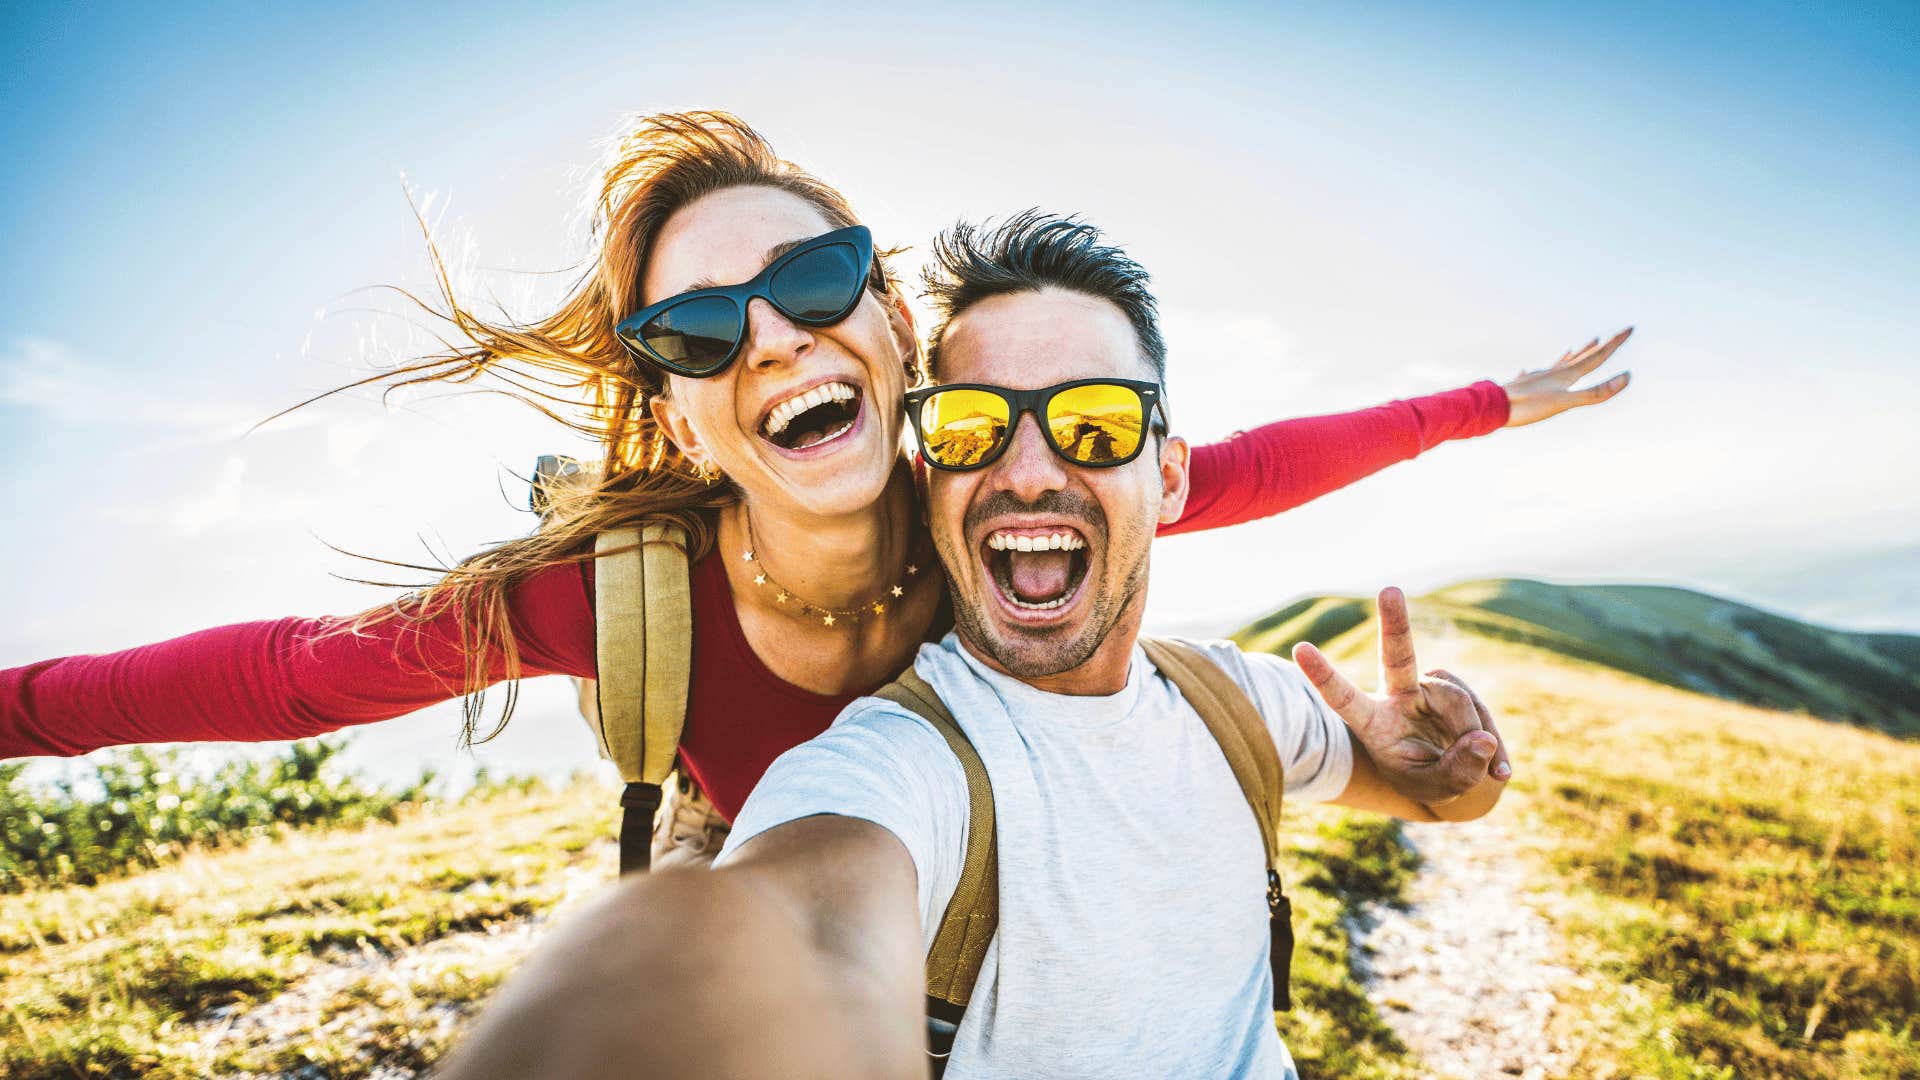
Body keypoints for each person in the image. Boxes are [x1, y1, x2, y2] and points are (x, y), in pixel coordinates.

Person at [0, 111, 1626, 837]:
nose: (771, 332)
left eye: (815, 271)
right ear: (675, 411)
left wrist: (1497, 399)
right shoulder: (619, 597)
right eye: (699, 328)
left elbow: (1256, 465)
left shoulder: (996, 497)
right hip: (773, 894)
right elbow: (297, 680)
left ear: (894, 315)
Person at [433, 213, 1514, 1080]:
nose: (1031, 470)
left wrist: (1450, 778)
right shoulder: (893, 769)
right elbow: (794, 925)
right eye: (970, 427)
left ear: (1172, 477)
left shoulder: (1240, 703)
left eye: (1093, 422)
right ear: (927, 471)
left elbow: (1439, 800)